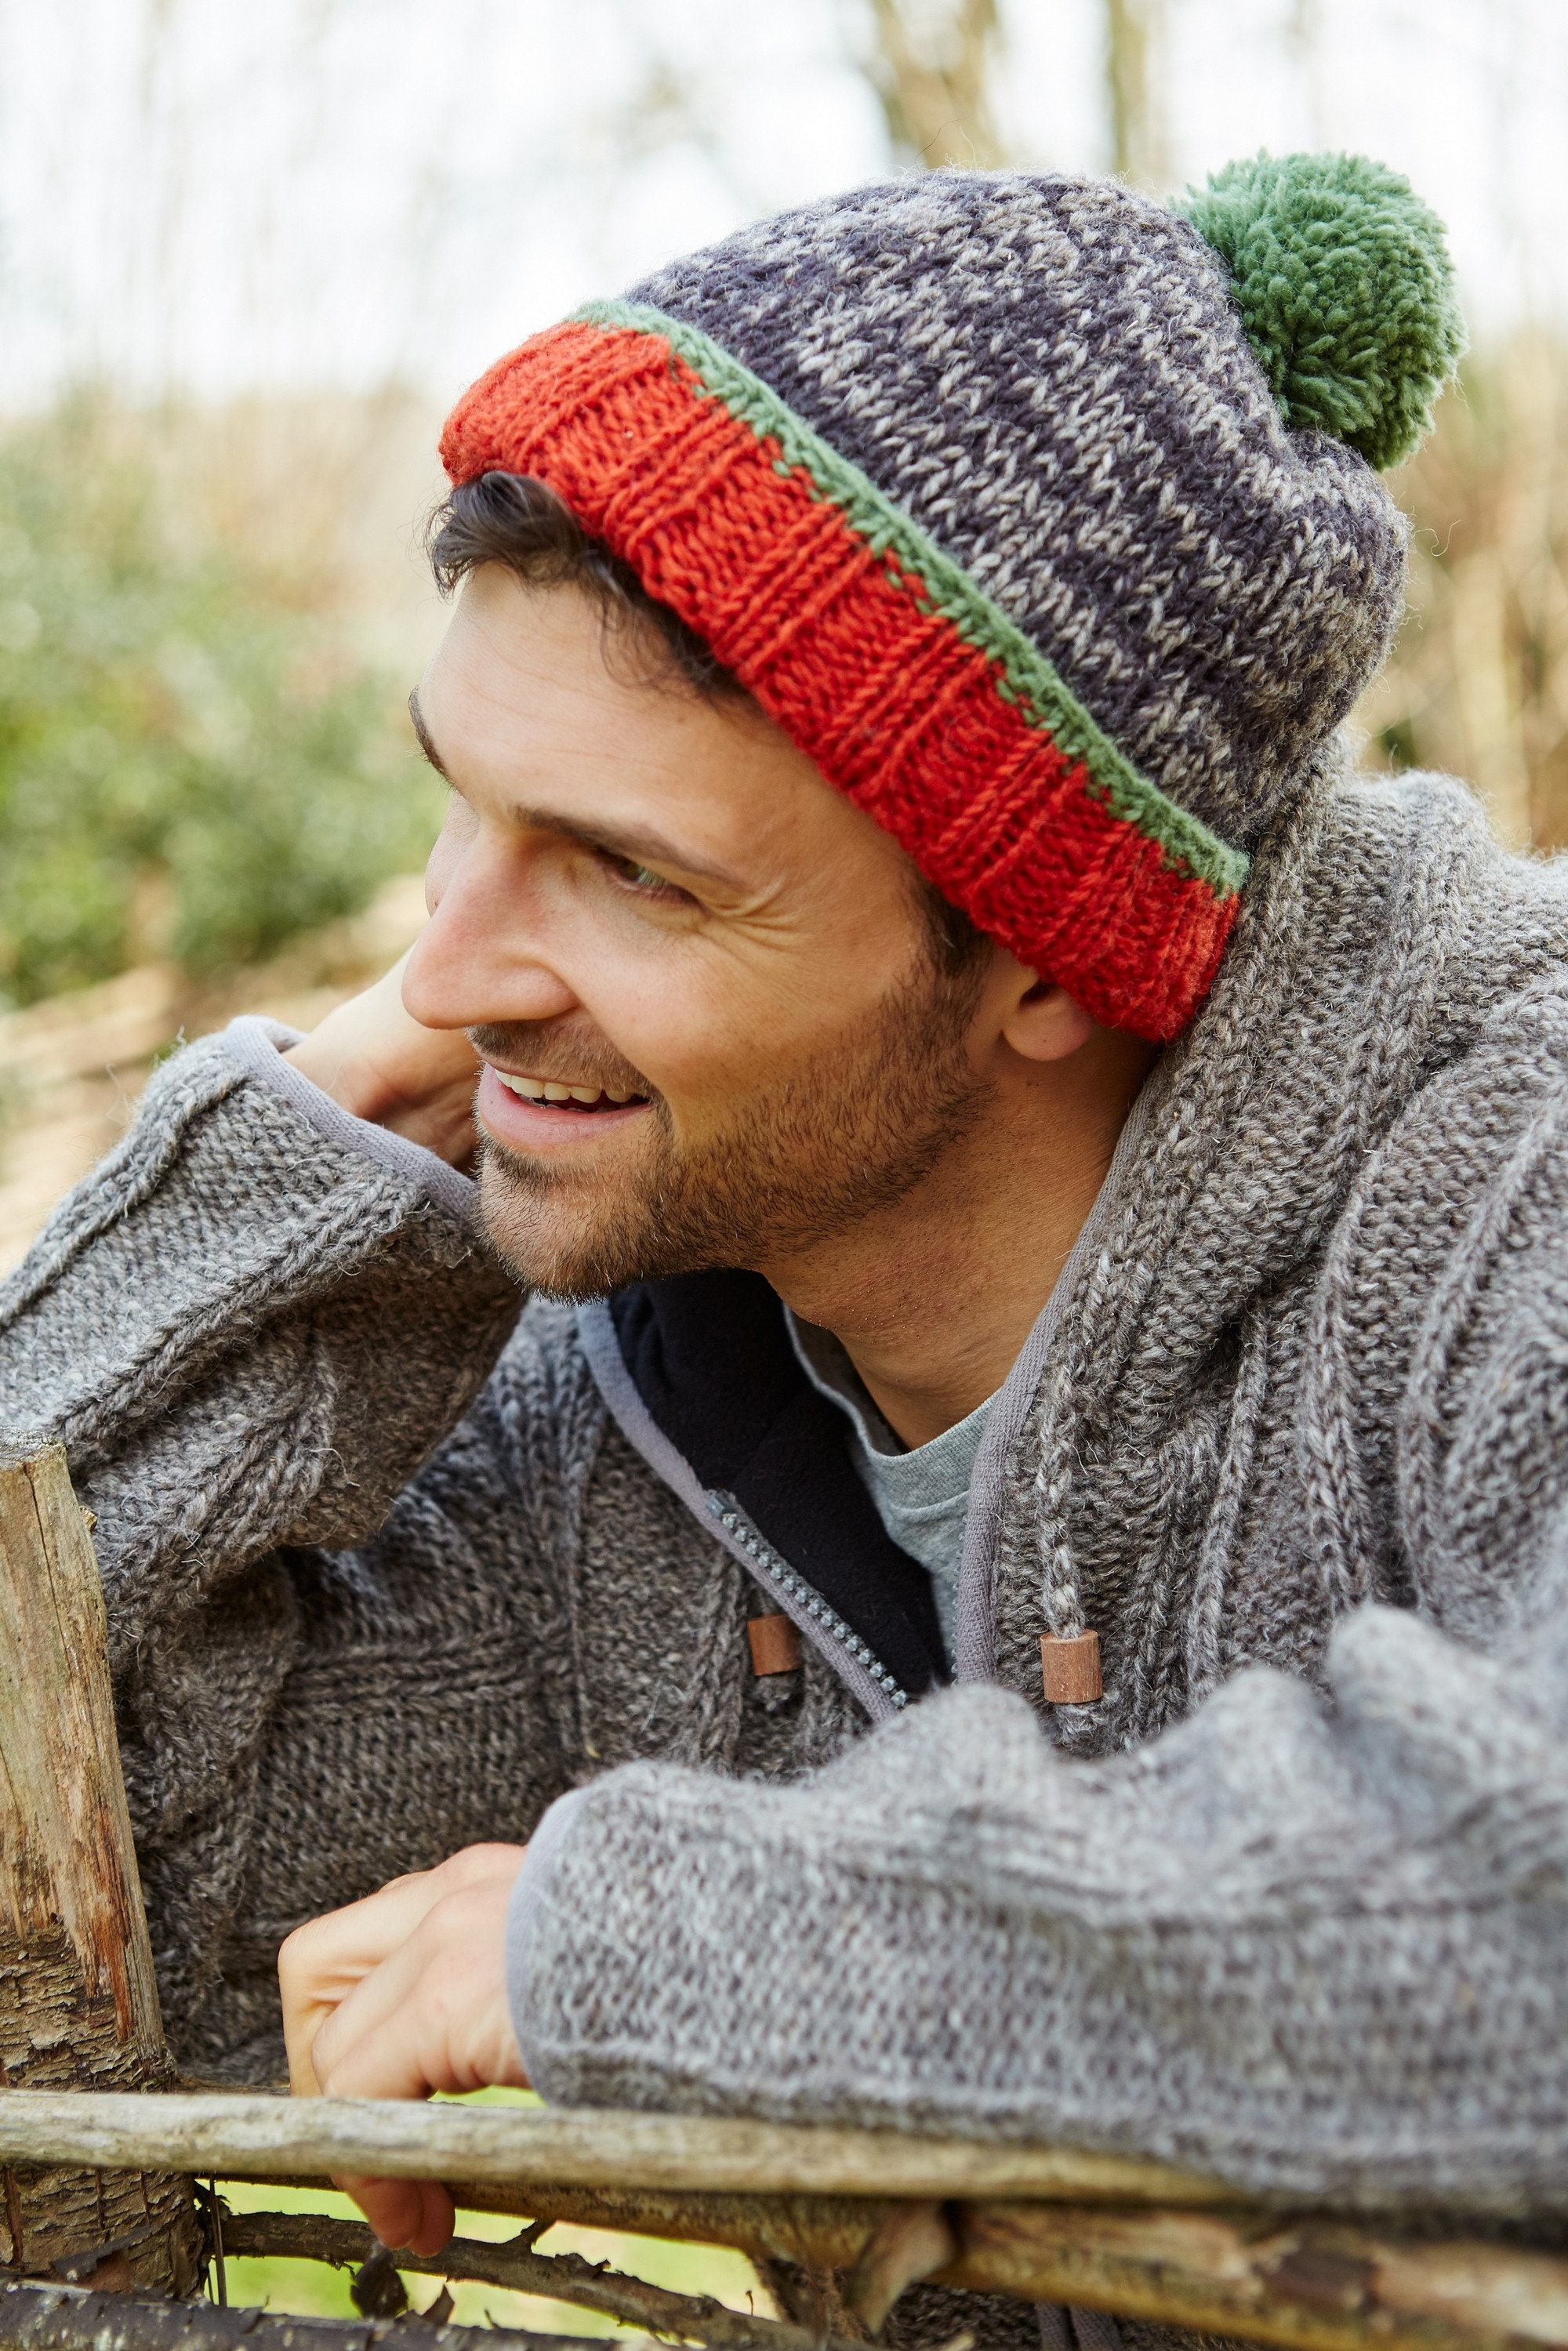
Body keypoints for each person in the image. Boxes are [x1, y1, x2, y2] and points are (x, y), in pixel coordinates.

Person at [6, 150, 1568, 2344]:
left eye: (627, 873)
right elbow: (83, 1937)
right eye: (457, 796)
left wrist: (641, 1943)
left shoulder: (1517, 1196)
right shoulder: (648, 1407)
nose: (444, 965)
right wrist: (302, 1170)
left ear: (1046, 956)